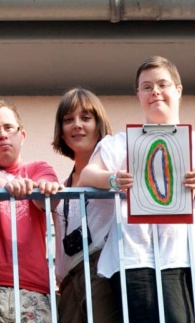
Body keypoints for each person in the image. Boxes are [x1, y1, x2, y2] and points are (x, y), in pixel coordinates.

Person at [79, 56, 195, 323]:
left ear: (178, 90)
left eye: (162, 84)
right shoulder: (119, 142)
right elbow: (88, 174)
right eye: (146, 87)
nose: (155, 92)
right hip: (138, 253)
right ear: (138, 94)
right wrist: (113, 179)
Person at [0, 98, 62, 323]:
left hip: (34, 289)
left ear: (22, 136)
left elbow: (49, 202)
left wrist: (44, 188)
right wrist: (8, 184)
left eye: (9, 128)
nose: (3, 135)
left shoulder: (39, 168)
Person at [49, 88, 117, 323]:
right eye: (68, 120)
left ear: (99, 124)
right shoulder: (61, 186)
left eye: (86, 118)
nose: (77, 125)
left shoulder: (114, 172)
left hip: (102, 273)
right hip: (69, 282)